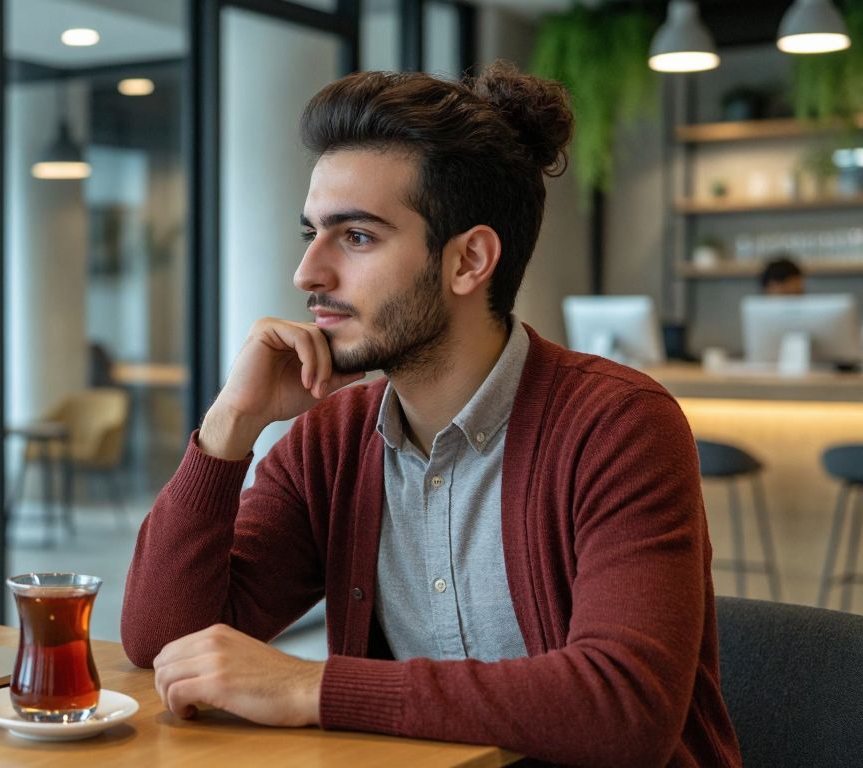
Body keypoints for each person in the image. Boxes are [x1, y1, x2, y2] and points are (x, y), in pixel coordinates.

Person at [121, 63, 741, 767]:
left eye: (355, 237)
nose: (308, 274)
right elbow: (162, 642)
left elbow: (624, 708)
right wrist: (229, 427)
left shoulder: (618, 425)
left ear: (469, 260)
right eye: (311, 234)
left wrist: (313, 687)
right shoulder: (333, 438)